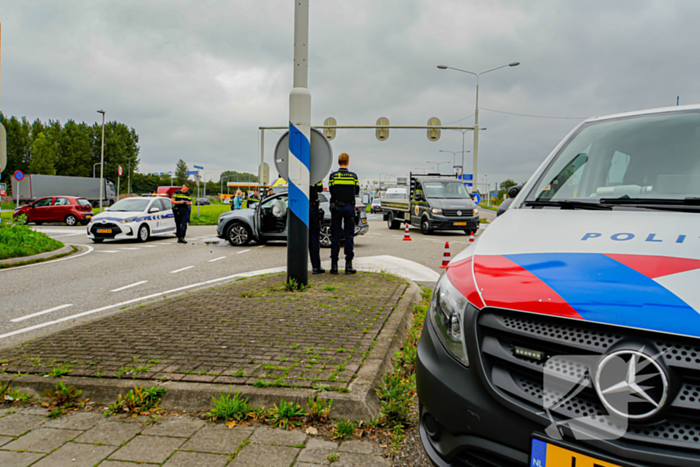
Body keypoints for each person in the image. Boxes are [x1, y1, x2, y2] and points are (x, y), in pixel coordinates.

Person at [328, 153, 359, 275]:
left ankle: (334, 266)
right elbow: (356, 191)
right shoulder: (353, 176)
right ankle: (348, 266)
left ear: (338, 162)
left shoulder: (333, 176)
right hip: (349, 207)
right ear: (348, 162)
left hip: (336, 207)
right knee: (349, 237)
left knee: (335, 237)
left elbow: (331, 190)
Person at [309, 181, 324, 274]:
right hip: (312, 209)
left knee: (299, 239)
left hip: (299, 208)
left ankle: (297, 267)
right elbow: (320, 188)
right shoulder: (315, 175)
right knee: (314, 239)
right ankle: (316, 267)